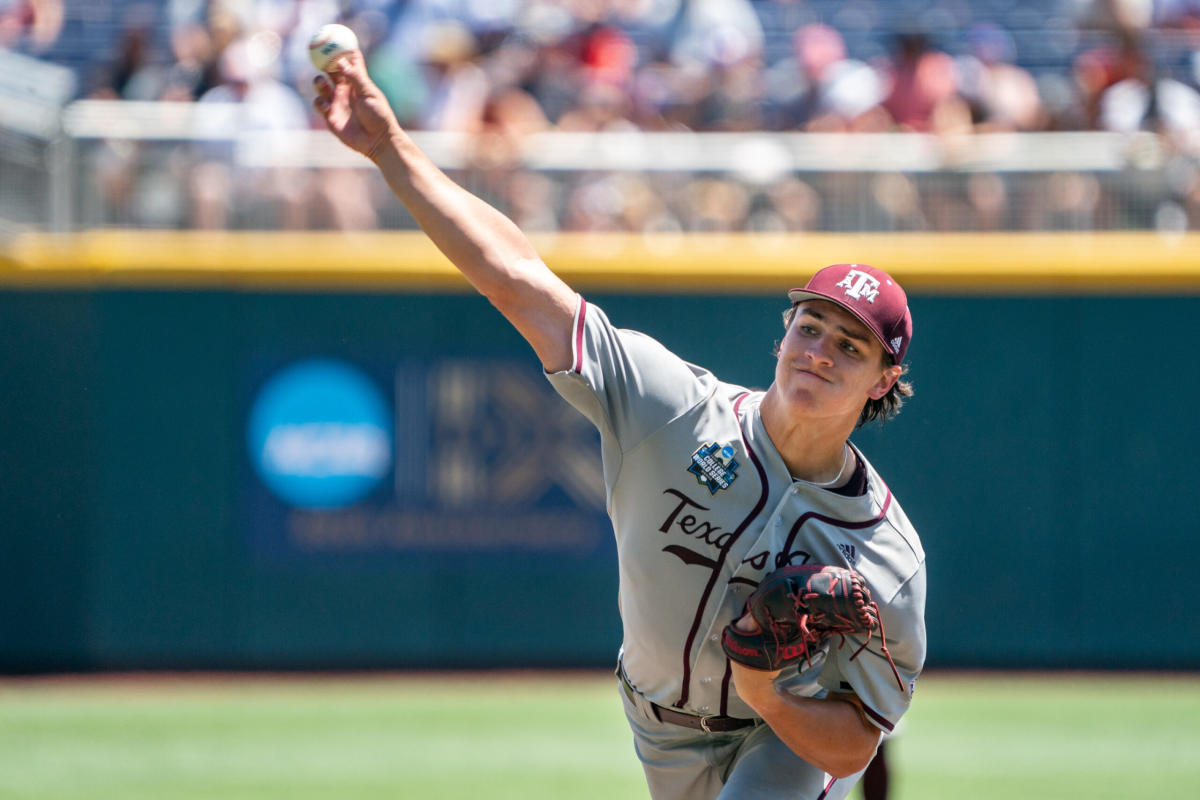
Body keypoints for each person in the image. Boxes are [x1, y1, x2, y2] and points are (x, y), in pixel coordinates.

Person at [313, 48, 926, 800]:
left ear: (883, 380)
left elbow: (857, 743)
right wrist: (389, 148)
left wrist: (770, 693)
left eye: (850, 344)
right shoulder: (670, 407)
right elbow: (518, 279)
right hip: (657, 726)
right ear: (783, 331)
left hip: (781, 735)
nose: (820, 353)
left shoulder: (887, 552)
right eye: (811, 327)